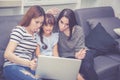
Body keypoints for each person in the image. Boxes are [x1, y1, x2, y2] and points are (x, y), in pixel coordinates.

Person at [3, 5, 45, 80]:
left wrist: (34, 63)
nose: (39, 25)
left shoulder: (36, 35)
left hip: (28, 68)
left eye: (41, 23)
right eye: (36, 22)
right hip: (12, 66)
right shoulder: (19, 30)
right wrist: (28, 63)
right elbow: (7, 54)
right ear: (29, 18)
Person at [56, 9, 99, 80]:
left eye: (67, 24)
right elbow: (45, 21)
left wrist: (78, 55)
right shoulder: (55, 29)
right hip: (67, 57)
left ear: (72, 23)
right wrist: (49, 11)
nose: (62, 26)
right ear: (58, 19)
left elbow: (80, 49)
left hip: (81, 53)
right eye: (61, 22)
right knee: (74, 70)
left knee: (87, 66)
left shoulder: (78, 30)